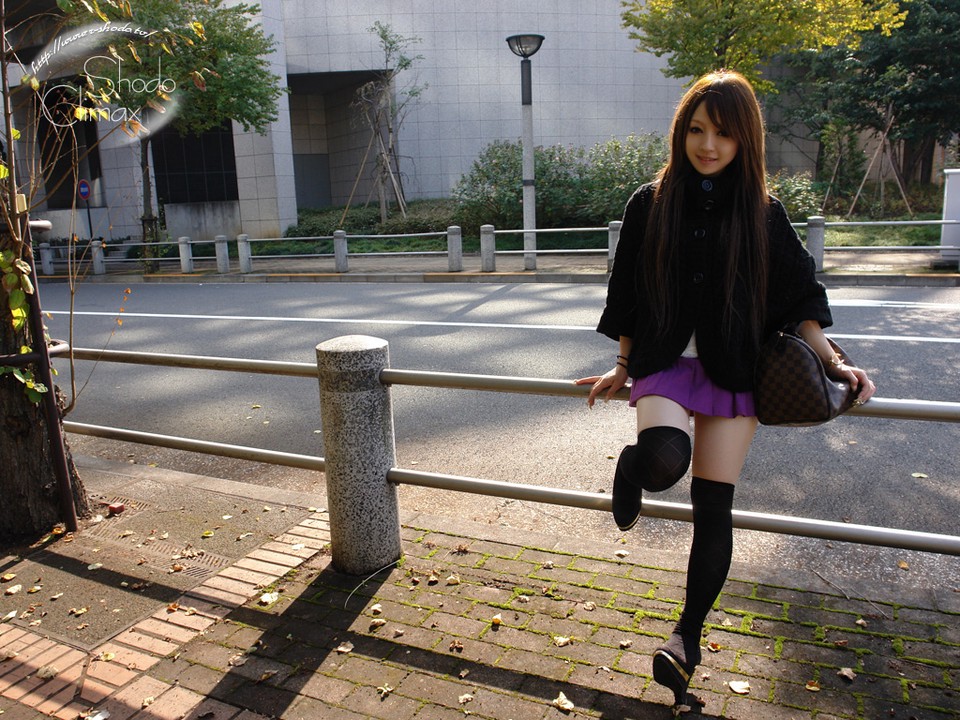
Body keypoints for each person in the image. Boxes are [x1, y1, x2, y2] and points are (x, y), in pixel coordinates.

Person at [576, 70, 875, 707]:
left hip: (734, 368)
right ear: (681, 131)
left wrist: (834, 362)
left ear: (745, 140)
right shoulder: (650, 202)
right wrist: (623, 364)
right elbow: (626, 290)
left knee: (714, 508)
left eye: (723, 133)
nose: (708, 145)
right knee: (664, 460)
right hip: (663, 360)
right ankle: (631, 468)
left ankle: (686, 641)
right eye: (697, 129)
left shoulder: (762, 211)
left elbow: (800, 297)